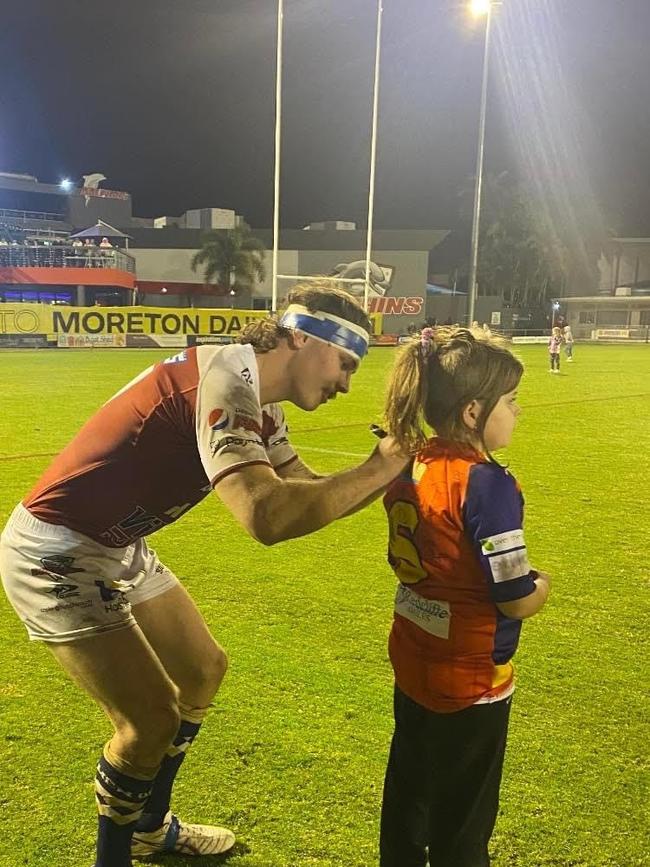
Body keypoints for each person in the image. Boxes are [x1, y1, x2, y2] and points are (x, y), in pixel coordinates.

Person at [0, 278, 407, 867]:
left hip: (115, 541)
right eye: (345, 363)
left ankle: (147, 827)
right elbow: (266, 516)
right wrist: (378, 467)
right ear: (298, 336)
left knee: (203, 670)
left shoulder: (259, 398)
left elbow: (310, 492)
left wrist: (391, 469)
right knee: (149, 721)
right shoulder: (226, 382)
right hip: (58, 549)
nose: (347, 383)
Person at [378, 326, 552, 867]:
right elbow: (513, 597)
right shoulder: (486, 483)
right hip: (472, 676)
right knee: (464, 819)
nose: (518, 412)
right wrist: (542, 587)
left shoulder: (408, 458)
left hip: (412, 659)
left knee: (408, 796)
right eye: (512, 401)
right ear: (474, 411)